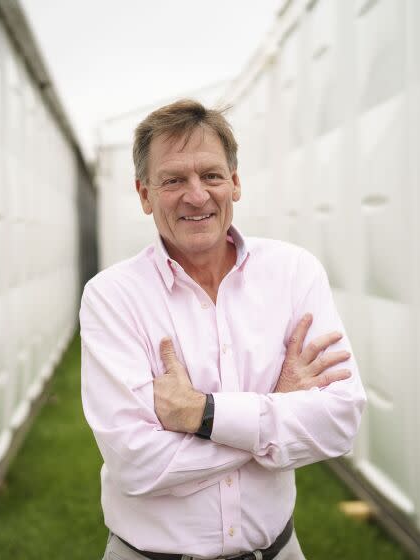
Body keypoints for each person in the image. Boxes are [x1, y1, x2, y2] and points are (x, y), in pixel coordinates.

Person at [80, 99, 366, 560]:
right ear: (144, 194)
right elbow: (135, 463)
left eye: (211, 175)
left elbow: (341, 421)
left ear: (235, 183)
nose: (196, 195)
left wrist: (202, 414)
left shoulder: (294, 273)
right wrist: (278, 416)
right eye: (173, 180)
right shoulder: (112, 296)